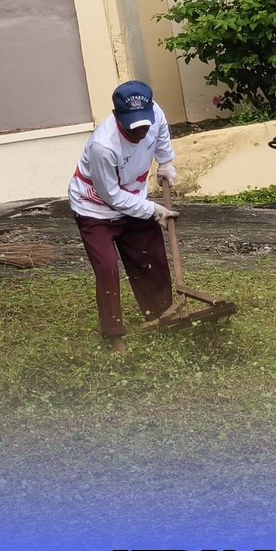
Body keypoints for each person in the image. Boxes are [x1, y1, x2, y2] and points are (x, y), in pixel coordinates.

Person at [68, 80, 179, 353]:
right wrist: (154, 210)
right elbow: (112, 197)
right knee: (106, 267)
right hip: (95, 208)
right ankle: (114, 335)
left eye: (144, 124)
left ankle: (161, 315)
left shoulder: (156, 115)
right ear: (118, 116)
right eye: (133, 127)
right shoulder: (103, 146)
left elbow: (161, 139)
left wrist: (165, 162)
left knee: (150, 256)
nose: (141, 131)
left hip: (133, 195)